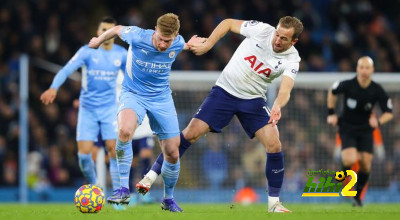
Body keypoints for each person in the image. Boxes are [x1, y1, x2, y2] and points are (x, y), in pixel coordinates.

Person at [137, 16, 304, 213]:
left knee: (274, 143)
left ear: (294, 41)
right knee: (190, 133)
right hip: (224, 92)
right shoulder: (262, 30)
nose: (277, 40)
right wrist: (208, 44)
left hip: (253, 100)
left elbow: (285, 90)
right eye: (277, 34)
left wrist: (277, 105)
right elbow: (228, 23)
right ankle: (149, 178)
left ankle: (274, 203)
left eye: (284, 39)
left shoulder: (292, 59)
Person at [88, 13, 203, 212]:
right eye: (160, 39)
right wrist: (98, 40)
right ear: (155, 30)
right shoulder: (137, 35)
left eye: (168, 41)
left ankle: (168, 199)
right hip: (133, 94)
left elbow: (181, 45)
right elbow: (116, 29)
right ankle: (123, 189)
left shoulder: (177, 42)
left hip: (161, 98)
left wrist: (188, 45)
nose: (163, 44)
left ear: (175, 36)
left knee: (173, 153)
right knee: (124, 131)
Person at [40, 17, 126, 196]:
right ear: (97, 32)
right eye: (103, 30)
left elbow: (131, 80)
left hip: (110, 109)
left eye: (110, 31)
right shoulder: (87, 52)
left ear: (115, 34)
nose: (106, 34)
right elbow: (66, 70)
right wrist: (53, 88)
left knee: (113, 150)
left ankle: (119, 194)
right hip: (88, 110)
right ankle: (94, 187)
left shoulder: (122, 54)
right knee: (84, 155)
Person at [327, 56, 393, 207]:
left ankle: (357, 197)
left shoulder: (376, 90)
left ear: (372, 70)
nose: (364, 70)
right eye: (361, 67)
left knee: (365, 166)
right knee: (350, 160)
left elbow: (389, 112)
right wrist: (331, 113)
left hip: (365, 131)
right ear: (357, 69)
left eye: (367, 67)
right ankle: (344, 182)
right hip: (347, 128)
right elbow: (332, 91)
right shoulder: (348, 85)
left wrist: (378, 121)